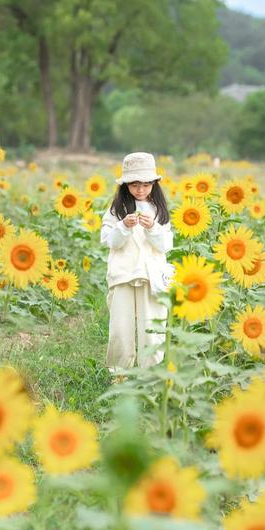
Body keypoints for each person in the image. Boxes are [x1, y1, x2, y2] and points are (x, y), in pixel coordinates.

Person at [101, 152, 174, 372]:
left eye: (145, 185)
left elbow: (166, 245)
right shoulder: (116, 210)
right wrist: (123, 226)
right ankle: (118, 374)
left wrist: (153, 228)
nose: (140, 190)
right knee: (120, 330)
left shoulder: (159, 211)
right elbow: (108, 241)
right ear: (125, 185)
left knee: (152, 329)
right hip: (123, 275)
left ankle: (150, 375)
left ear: (154, 184)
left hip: (152, 279)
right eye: (134, 185)